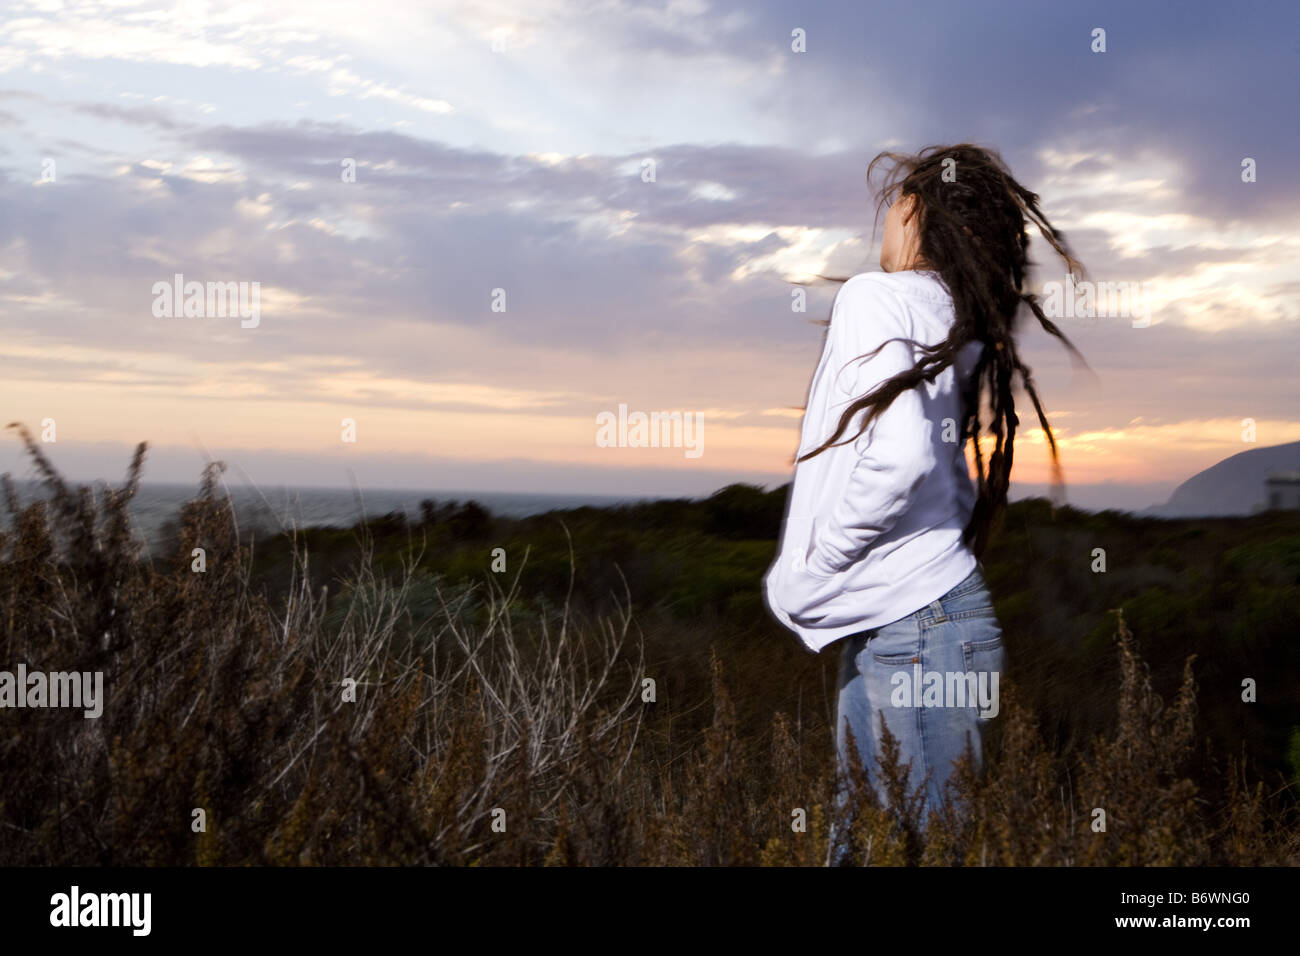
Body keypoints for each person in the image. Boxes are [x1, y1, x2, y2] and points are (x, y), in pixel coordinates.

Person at [762, 143, 1091, 866]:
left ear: (916, 213)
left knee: (914, 846)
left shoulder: (875, 297)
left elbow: (904, 454)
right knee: (888, 844)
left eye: (892, 208)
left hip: (913, 628)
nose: (882, 226)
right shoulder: (954, 315)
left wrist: (828, 557)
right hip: (922, 623)